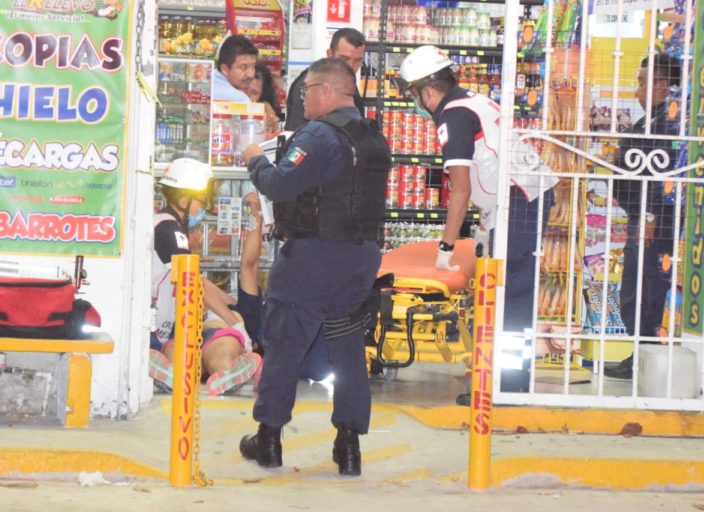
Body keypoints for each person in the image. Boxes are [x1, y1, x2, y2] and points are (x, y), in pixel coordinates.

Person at [238, 58, 391, 476]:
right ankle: (348, 447)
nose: (302, 99)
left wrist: (255, 159)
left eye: (305, 91)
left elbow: (279, 183)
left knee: (285, 343)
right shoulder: (373, 137)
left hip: (314, 258)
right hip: (360, 258)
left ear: (326, 90)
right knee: (346, 347)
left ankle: (268, 440)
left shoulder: (320, 134)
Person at [396, 45, 557, 331]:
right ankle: (498, 363)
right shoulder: (473, 101)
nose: (415, 102)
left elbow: (461, 190)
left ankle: (508, 374)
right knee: (509, 287)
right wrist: (486, 225)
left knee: (511, 292)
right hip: (524, 196)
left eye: (413, 94)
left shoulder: (453, 115)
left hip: (518, 201)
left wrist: (445, 249)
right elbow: (490, 166)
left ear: (427, 91)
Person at [149, 158, 262, 396]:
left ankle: (174, 371)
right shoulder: (169, 230)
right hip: (156, 322)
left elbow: (194, 278)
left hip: (163, 324)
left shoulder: (167, 228)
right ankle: (214, 369)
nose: (203, 208)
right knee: (181, 345)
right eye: (201, 201)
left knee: (177, 347)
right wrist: (236, 324)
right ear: (183, 198)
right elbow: (192, 282)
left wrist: (228, 301)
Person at [605, 54, 681, 380]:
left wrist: (648, 215)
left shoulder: (668, 124)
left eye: (642, 82)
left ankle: (647, 359)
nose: (637, 90)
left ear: (662, 85)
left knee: (647, 288)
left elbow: (663, 174)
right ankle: (641, 355)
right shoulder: (647, 121)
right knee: (635, 288)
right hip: (640, 218)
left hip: (655, 223)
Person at [284, 28, 366, 131]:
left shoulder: (348, 84)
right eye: (344, 59)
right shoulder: (310, 83)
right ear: (330, 54)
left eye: (357, 60)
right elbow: (296, 132)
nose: (350, 66)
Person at [213, 35, 258, 102]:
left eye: (253, 67)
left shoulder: (205, 82)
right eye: (243, 67)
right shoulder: (239, 99)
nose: (250, 75)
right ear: (225, 69)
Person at [248, 62, 282, 135]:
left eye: (254, 93)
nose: (247, 97)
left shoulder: (267, 111)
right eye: (244, 90)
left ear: (263, 94)